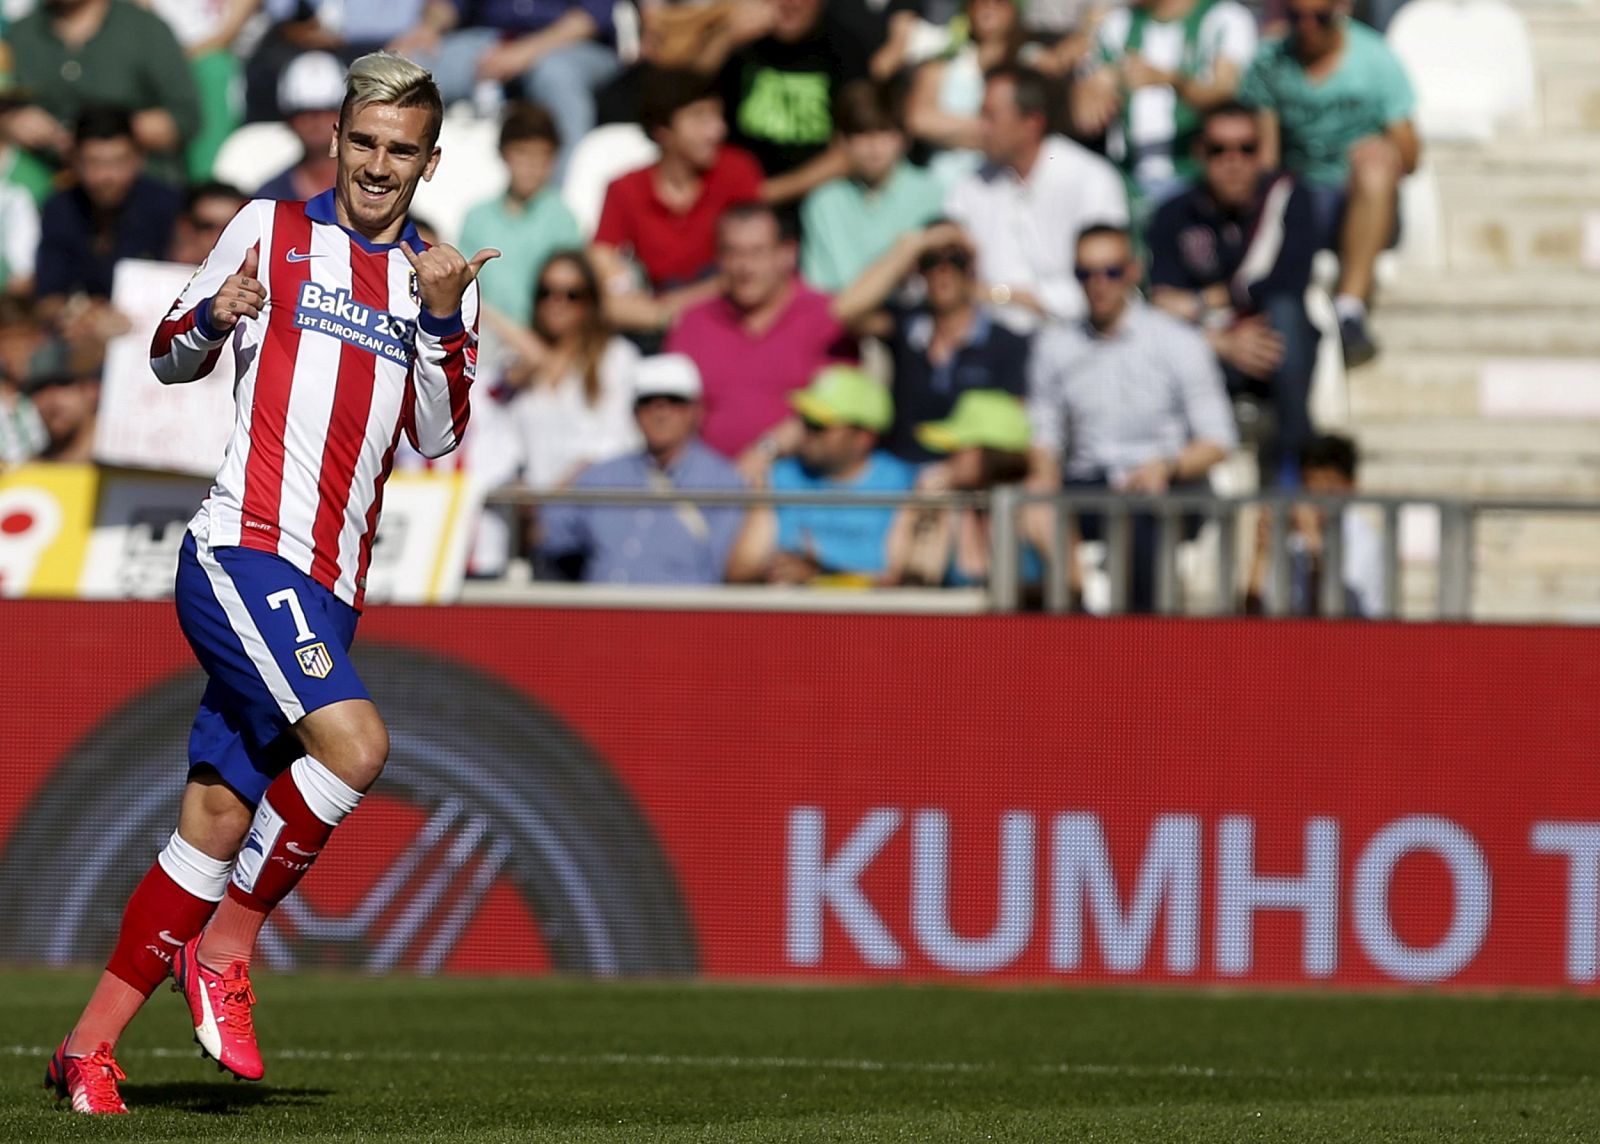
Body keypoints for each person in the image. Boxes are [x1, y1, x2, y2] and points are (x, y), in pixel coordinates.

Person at [45, 51, 492, 1114]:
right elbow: (163, 355)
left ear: (429, 163)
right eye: (365, 142)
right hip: (242, 548)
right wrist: (213, 316)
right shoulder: (269, 230)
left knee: (212, 812)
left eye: (402, 150)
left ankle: (86, 1048)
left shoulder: (433, 273)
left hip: (331, 582)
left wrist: (441, 318)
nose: (378, 165)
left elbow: (438, 436)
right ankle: (228, 951)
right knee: (358, 745)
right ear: (335, 139)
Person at [1027, 225, 1237, 612]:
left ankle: (1142, 644)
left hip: (1170, 483)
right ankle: (1078, 611)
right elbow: (1045, 432)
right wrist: (1043, 475)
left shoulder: (1178, 341)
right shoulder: (1055, 344)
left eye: (1110, 271)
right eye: (1085, 273)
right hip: (1092, 483)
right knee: (1028, 503)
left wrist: (1167, 467)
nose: (1098, 284)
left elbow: (1218, 440)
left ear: (1132, 271)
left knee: (1136, 514)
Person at [1237, 0, 1419, 367]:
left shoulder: (1375, 60)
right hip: (1297, 193)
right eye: (1295, 16)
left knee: (1377, 169)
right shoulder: (1270, 61)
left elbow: (1411, 155)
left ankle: (1350, 310)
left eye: (1318, 17)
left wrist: (1382, 147)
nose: (1307, 26)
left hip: (1357, 196)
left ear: (1342, 10)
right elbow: (1266, 156)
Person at [1147, 101, 1318, 487]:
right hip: (1207, 352)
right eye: (1219, 150)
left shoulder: (1287, 197)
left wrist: (1205, 302)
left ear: (1263, 152)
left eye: (1247, 148)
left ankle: (1294, 467)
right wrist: (1218, 343)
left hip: (1272, 345)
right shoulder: (1173, 213)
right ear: (1199, 154)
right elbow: (1161, 303)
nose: (1234, 161)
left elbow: (1287, 279)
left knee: (1285, 313)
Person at [663, 202, 859, 480]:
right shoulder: (693, 323)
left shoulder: (825, 317)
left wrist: (767, 450)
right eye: (733, 253)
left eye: (757, 252)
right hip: (707, 485)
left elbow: (837, 410)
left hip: (802, 481)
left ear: (787, 254)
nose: (745, 267)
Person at [831, 219, 1030, 464]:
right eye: (930, 260)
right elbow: (845, 310)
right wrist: (911, 248)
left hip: (970, 485)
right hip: (903, 474)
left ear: (971, 267)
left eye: (955, 259)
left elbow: (1010, 435)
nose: (942, 270)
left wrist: (953, 478)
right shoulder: (906, 326)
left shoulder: (1006, 343)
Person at [538, 353, 747, 584]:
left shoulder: (725, 481)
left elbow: (731, 570)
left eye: (674, 401)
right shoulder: (600, 476)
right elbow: (548, 538)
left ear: (695, 411)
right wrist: (547, 498)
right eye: (648, 402)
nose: (661, 412)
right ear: (634, 412)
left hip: (682, 617)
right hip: (600, 616)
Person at [945, 65, 1128, 327]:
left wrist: (1011, 297)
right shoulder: (971, 185)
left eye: (990, 117)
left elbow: (1108, 279)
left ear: (1032, 123)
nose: (979, 127)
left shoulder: (1089, 178)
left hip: (1075, 333)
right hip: (987, 339)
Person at [590, 66, 764, 334]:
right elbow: (604, 264)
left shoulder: (737, 171)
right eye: (699, 118)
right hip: (658, 316)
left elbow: (751, 266)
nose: (716, 130)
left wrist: (673, 306)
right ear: (663, 130)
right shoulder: (625, 188)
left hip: (729, 317)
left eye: (717, 116)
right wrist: (643, 304)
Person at [728, 365, 916, 584]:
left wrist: (818, 576)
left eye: (820, 424)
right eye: (806, 419)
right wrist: (774, 571)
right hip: (790, 615)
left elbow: (898, 582)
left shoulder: (902, 483)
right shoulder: (780, 476)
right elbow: (740, 570)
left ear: (864, 437)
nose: (807, 431)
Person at [394, 0, 622, 180]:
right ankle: (395, 183)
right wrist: (427, 28)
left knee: (556, 76)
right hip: (491, 39)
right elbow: (449, 4)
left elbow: (592, 17)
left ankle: (557, 205)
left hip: (571, 44)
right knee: (411, 69)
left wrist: (522, 53)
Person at [1070, 0, 1256, 210]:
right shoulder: (1117, 24)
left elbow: (1226, 96)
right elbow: (1090, 91)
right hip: (1128, 183)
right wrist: (1089, 94)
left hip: (1196, 182)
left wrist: (1170, 80)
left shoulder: (1226, 18)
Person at [2, 0, 201, 187]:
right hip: (48, 181)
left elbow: (184, 117)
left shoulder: (145, 28)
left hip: (136, 183)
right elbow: (7, 104)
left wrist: (99, 133)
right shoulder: (21, 33)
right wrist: (13, 121)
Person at [502, 251, 641, 493]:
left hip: (594, 504)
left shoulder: (617, 358)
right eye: (546, 292)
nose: (557, 304)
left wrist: (566, 486)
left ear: (591, 302)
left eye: (572, 295)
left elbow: (621, 441)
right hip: (530, 511)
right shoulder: (516, 363)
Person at [798, 79, 944, 293]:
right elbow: (819, 288)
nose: (874, 146)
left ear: (904, 138)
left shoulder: (935, 194)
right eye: (861, 134)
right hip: (840, 318)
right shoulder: (822, 202)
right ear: (842, 141)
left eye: (884, 132)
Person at [884, 388, 1035, 587]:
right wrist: (923, 512)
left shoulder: (1036, 505)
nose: (947, 458)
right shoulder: (945, 502)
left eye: (957, 447)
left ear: (986, 454)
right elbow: (910, 581)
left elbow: (1071, 589)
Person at [36, 107, 184, 301]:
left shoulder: (169, 207)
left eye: (118, 162)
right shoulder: (60, 209)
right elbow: (48, 297)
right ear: (74, 162)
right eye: (93, 162)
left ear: (139, 159)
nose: (106, 176)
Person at [459, 102, 582, 328]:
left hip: (547, 336)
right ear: (504, 155)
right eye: (522, 154)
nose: (532, 166)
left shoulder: (563, 219)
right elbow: (467, 291)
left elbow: (570, 297)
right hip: (486, 336)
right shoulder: (477, 217)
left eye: (543, 156)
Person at [1244, 432, 1384, 615]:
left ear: (1351, 487)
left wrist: (1315, 547)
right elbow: (1251, 615)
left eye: (1329, 486)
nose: (1318, 495)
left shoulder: (1364, 541)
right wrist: (1262, 552)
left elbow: (1340, 611)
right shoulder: (1293, 539)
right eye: (1311, 484)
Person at [902, 0, 1028, 190]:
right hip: (944, 187)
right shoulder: (942, 62)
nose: (988, 7)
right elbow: (919, 120)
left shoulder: (1034, 63)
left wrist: (952, 130)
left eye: (999, 2)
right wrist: (991, 131)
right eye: (980, 2)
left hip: (1009, 188)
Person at [254, 50, 346, 201]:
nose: (315, 120)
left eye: (327, 110)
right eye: (303, 112)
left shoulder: (373, 186)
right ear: (288, 120)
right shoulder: (269, 198)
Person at [21, 337, 100, 463]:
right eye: (37, 390)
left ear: (92, 391)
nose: (49, 398)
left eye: (62, 383)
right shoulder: (23, 468)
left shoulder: (127, 456)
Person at [168, 181, 249, 266]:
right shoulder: (155, 272)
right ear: (185, 227)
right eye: (207, 227)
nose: (219, 236)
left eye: (230, 227)